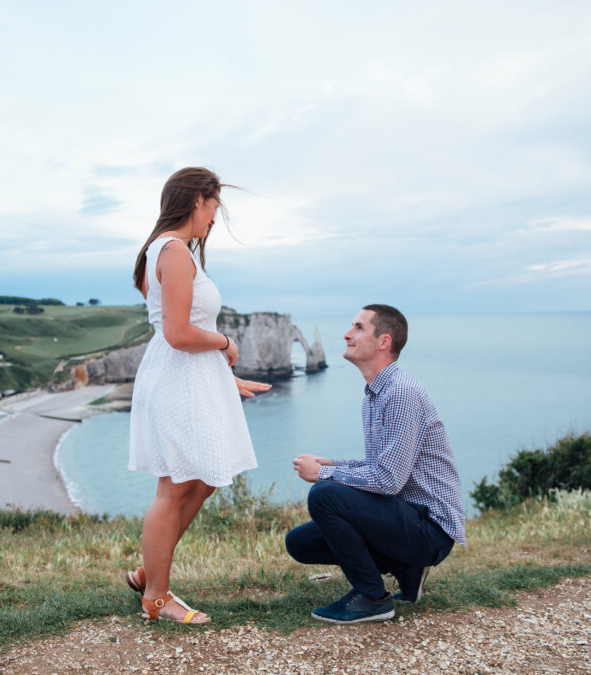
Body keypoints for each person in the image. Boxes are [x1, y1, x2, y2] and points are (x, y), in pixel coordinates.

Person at [124, 167, 271, 625]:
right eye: (214, 207)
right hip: (177, 381)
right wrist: (227, 345)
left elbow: (185, 335)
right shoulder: (172, 251)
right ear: (197, 201)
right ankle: (157, 597)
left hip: (191, 379)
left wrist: (226, 380)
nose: (214, 219)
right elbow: (180, 334)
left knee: (205, 478)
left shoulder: (174, 251)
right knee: (173, 488)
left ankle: (152, 567)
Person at [286, 304, 465, 624]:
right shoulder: (376, 393)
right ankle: (406, 568)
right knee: (299, 543)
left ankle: (372, 597)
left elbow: (388, 480)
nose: (346, 334)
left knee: (325, 495)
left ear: (383, 341)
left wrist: (323, 473)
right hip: (406, 516)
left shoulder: (401, 393)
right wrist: (334, 462)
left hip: (430, 530)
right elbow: (381, 466)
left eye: (357, 327)